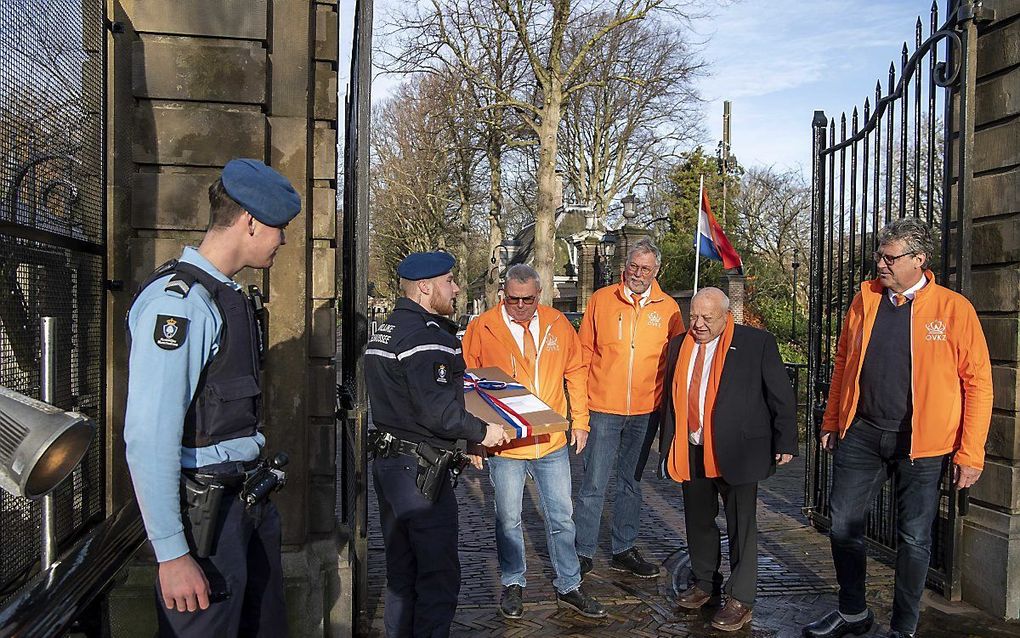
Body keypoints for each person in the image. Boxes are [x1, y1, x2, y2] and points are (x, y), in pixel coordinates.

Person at [124, 158, 300, 636]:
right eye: (280, 228)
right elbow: (148, 437)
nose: (283, 240)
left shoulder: (224, 295)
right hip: (206, 518)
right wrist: (173, 553)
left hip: (242, 503)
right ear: (250, 221)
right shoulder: (178, 304)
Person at [803, 218, 992, 638]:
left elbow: (978, 381)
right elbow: (842, 364)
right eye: (879, 255)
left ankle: (903, 627)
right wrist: (834, 419)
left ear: (919, 260)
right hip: (864, 432)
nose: (880, 265)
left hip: (923, 443)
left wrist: (970, 451)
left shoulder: (952, 308)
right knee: (842, 523)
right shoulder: (865, 300)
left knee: (914, 538)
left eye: (890, 258)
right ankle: (853, 611)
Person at [364, 251, 509, 637]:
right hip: (421, 473)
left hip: (391, 466)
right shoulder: (427, 337)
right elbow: (438, 411)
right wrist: (483, 432)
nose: (456, 287)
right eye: (449, 281)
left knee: (401, 573)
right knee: (437, 577)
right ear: (425, 288)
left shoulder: (385, 331)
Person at [638, 287, 797, 632]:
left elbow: (780, 394)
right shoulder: (679, 344)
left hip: (738, 450)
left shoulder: (757, 343)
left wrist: (786, 441)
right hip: (691, 447)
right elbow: (669, 397)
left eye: (707, 318)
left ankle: (741, 598)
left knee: (742, 525)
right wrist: (666, 442)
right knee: (698, 521)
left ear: (727, 316)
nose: (698, 324)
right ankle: (705, 583)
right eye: (693, 316)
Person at [461, 264, 606, 620]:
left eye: (528, 299)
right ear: (503, 295)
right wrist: (474, 438)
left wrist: (581, 421)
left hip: (551, 442)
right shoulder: (483, 327)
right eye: (514, 299)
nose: (521, 306)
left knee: (562, 517)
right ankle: (513, 582)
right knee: (508, 518)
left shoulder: (558, 324)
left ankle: (570, 584)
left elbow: (575, 372)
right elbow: (467, 384)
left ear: (539, 295)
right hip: (505, 444)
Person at [574, 237, 685, 578]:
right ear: (625, 266)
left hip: (645, 410)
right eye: (634, 266)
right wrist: (580, 407)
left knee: (631, 483)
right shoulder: (601, 300)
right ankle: (582, 550)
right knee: (593, 482)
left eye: (646, 268)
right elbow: (583, 354)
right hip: (603, 407)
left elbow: (677, 360)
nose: (638, 274)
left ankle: (624, 547)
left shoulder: (669, 309)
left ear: (657, 270)